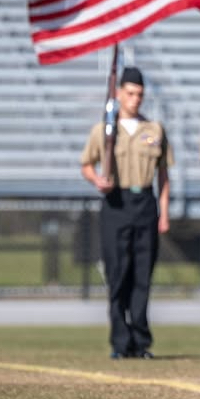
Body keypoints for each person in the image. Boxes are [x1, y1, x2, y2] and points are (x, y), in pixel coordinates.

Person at [80, 66, 173, 360]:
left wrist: (164, 212)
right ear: (118, 93)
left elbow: (163, 175)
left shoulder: (154, 130)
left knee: (142, 275)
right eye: (130, 93)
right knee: (118, 273)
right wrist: (97, 180)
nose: (135, 99)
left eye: (140, 94)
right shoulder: (104, 130)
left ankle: (140, 341)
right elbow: (86, 164)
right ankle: (120, 341)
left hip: (145, 202)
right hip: (116, 203)